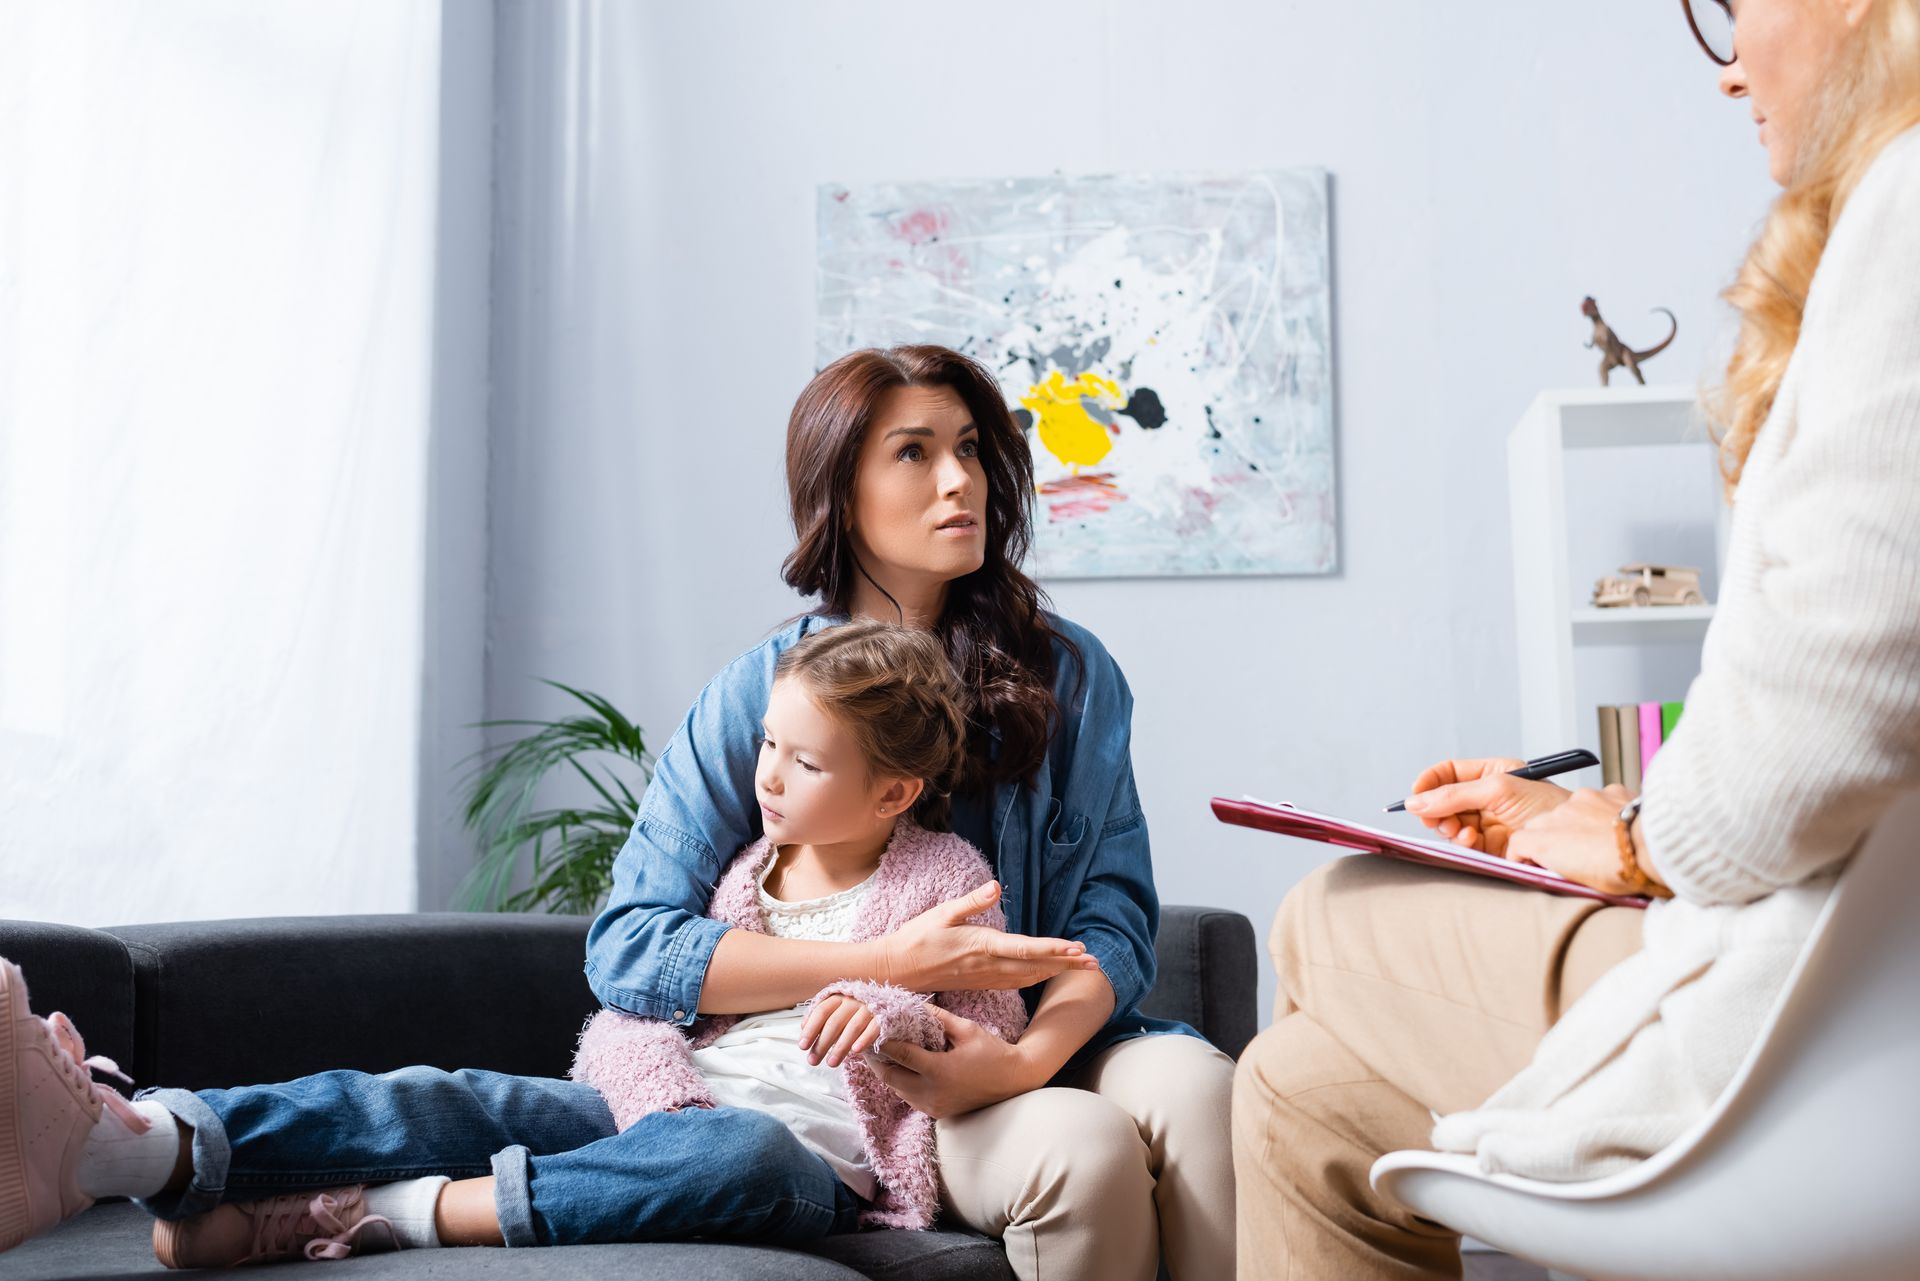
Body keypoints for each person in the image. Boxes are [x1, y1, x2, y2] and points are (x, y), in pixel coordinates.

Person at [3, 344, 1235, 1279]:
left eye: (971, 446)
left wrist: (1019, 1054)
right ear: (839, 484)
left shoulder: (1068, 674)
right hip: (807, 1077)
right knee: (456, 1093)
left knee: (1192, 1090)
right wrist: (879, 965)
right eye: (914, 452)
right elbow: (631, 945)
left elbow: (1114, 918)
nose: (960, 478)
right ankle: (132, 1135)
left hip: (1038, 1036)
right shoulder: (754, 697)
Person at [1231, 0, 1920, 1276]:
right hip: (1842, 973)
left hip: (1819, 1036)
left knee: (1331, 910)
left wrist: (1634, 838)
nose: (1726, 76)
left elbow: (1841, 697)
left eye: (1733, 11)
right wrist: (1609, 815)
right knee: (1299, 1091)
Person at [0, 620, 1027, 1264]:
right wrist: (659, 1089)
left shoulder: (944, 882)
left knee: (742, 1153)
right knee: (454, 1095)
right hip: (660, 1106)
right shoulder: (745, 875)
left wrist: (888, 1013)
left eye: (804, 762)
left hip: (811, 1163)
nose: (766, 776)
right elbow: (642, 1014)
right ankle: (131, 1142)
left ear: (893, 792)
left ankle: (388, 1211)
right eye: (767, 743)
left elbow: (980, 1039)